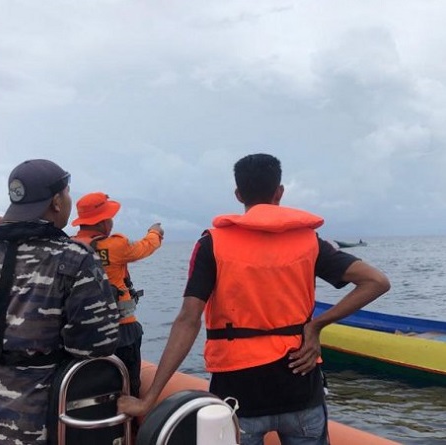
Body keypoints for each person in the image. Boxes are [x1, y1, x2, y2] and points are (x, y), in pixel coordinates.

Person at [118, 153, 391, 445]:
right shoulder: (309, 241)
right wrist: (316, 326)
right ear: (279, 192)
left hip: (238, 396)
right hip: (301, 389)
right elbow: (376, 282)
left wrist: (148, 400)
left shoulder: (212, 244)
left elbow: (188, 320)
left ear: (238, 194)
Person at [0, 159, 120, 445]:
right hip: (43, 422)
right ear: (56, 202)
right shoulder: (76, 259)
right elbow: (98, 344)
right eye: (67, 193)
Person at [71, 192, 164, 397]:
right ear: (103, 222)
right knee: (129, 386)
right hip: (122, 330)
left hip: (82, 332)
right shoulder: (116, 245)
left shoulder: (69, 247)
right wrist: (155, 232)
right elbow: (145, 247)